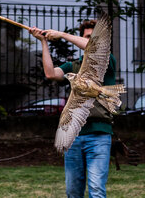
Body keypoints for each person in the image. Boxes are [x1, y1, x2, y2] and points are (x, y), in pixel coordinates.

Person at [30, 19, 116, 198]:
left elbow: (94, 49)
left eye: (94, 38)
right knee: (73, 192)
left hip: (99, 135)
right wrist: (43, 41)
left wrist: (61, 34)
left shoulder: (107, 59)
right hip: (74, 137)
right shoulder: (73, 66)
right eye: (87, 37)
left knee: (97, 189)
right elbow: (50, 73)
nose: (90, 41)